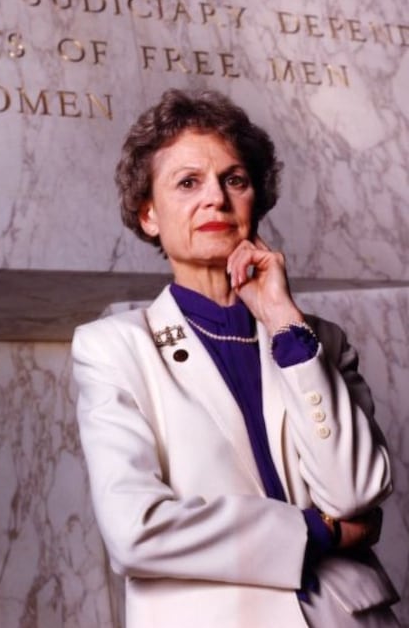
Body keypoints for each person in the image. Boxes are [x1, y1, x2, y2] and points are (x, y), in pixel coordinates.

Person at [72, 89, 399, 627]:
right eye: (187, 182)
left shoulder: (319, 341)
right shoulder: (113, 348)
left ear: (256, 199)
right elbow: (136, 530)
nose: (216, 200)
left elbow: (356, 490)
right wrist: (318, 532)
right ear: (149, 215)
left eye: (235, 180)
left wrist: (283, 322)